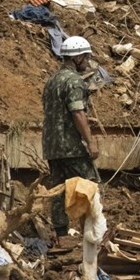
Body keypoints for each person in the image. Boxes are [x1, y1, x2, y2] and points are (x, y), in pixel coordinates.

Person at [42, 36, 100, 237]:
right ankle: (93, 232)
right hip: (71, 146)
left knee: (59, 189)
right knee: (88, 184)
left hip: (52, 146)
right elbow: (77, 112)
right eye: (86, 57)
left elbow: (59, 112)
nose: (87, 62)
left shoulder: (52, 80)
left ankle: (61, 235)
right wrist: (90, 141)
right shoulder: (74, 81)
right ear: (77, 58)